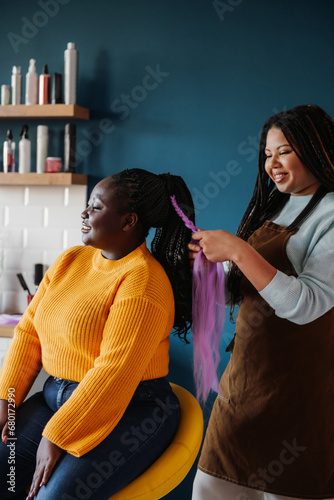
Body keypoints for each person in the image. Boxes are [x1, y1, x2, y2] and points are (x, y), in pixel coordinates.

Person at [0, 168, 195, 500]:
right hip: (55, 399)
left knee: (53, 497)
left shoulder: (143, 281)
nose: (85, 213)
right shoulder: (71, 260)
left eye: (96, 206)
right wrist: (7, 401)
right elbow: (29, 334)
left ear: (128, 221)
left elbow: (113, 372)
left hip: (134, 409)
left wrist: (58, 436)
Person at [189, 105, 334, 500]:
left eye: (284, 151)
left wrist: (237, 250)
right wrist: (209, 269)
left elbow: (306, 304)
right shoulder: (273, 206)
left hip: (300, 395)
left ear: (317, 148)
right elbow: (247, 290)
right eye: (267, 154)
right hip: (245, 382)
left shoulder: (331, 214)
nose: (272, 164)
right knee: (210, 488)